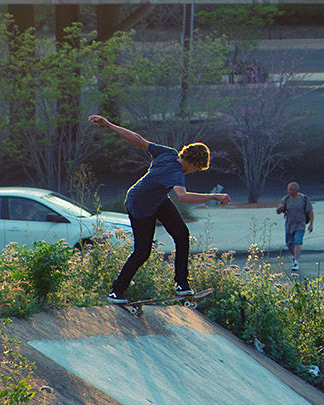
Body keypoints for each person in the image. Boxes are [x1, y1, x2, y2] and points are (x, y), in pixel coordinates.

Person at [89, 115, 230, 304]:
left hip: (158, 199)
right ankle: (116, 291)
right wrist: (214, 196)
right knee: (142, 251)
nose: (195, 172)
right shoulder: (176, 172)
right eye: (197, 169)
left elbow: (138, 140)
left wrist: (108, 125)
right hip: (139, 203)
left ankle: (182, 284)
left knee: (181, 234)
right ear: (194, 163)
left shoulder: (169, 153)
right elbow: (183, 197)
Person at [277, 181, 315, 274]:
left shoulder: (304, 199)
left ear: (295, 190)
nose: (288, 191)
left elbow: (310, 211)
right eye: (288, 189)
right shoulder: (286, 199)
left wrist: (311, 224)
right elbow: (278, 210)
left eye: (290, 189)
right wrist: (280, 209)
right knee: (289, 244)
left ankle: (296, 262)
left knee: (297, 242)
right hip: (289, 225)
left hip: (300, 224)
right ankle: (295, 256)